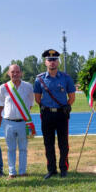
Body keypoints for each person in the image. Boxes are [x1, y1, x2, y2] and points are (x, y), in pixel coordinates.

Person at [34, 49, 76, 179]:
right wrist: (47, 107)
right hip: (47, 115)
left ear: (58, 61)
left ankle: (64, 168)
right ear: (45, 62)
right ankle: (51, 169)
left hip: (61, 115)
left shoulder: (66, 78)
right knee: (48, 143)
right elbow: (37, 99)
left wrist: (65, 107)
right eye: (49, 60)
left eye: (54, 60)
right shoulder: (39, 79)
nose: (52, 62)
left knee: (63, 143)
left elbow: (72, 97)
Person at [0, 65, 34, 179]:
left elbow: (31, 103)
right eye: (13, 72)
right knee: (11, 148)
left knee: (23, 148)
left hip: (23, 122)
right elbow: (1, 104)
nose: (15, 74)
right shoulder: (3, 87)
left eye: (17, 72)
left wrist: (22, 113)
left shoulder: (28, 86)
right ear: (8, 73)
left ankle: (22, 171)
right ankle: (12, 172)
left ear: (21, 73)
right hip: (8, 122)